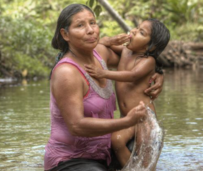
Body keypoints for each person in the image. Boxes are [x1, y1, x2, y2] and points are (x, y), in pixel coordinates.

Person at [44, 4, 164, 171]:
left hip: (105, 153)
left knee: (147, 141)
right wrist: (126, 121)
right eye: (80, 25)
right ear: (65, 34)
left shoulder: (99, 53)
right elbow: (76, 126)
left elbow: (138, 61)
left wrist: (158, 73)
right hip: (73, 160)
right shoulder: (67, 72)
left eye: (92, 23)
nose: (90, 30)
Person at [85, 18, 170, 168]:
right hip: (128, 117)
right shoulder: (126, 51)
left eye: (141, 32)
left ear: (150, 47)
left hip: (144, 118)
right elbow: (100, 44)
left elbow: (132, 76)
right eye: (136, 28)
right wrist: (112, 40)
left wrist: (103, 73)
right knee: (116, 140)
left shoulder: (148, 60)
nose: (134, 31)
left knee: (146, 157)